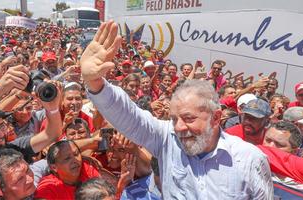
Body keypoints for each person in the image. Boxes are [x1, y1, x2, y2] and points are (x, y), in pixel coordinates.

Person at [80, 21, 273, 199]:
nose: (179, 127)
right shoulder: (166, 139)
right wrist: (95, 83)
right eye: (174, 119)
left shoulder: (249, 160)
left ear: (216, 117)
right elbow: (130, 116)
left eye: (188, 118)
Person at [34, 140, 100, 199]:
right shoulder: (48, 186)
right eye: (67, 158)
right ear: (54, 167)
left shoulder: (86, 168)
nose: (75, 160)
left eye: (76, 154)